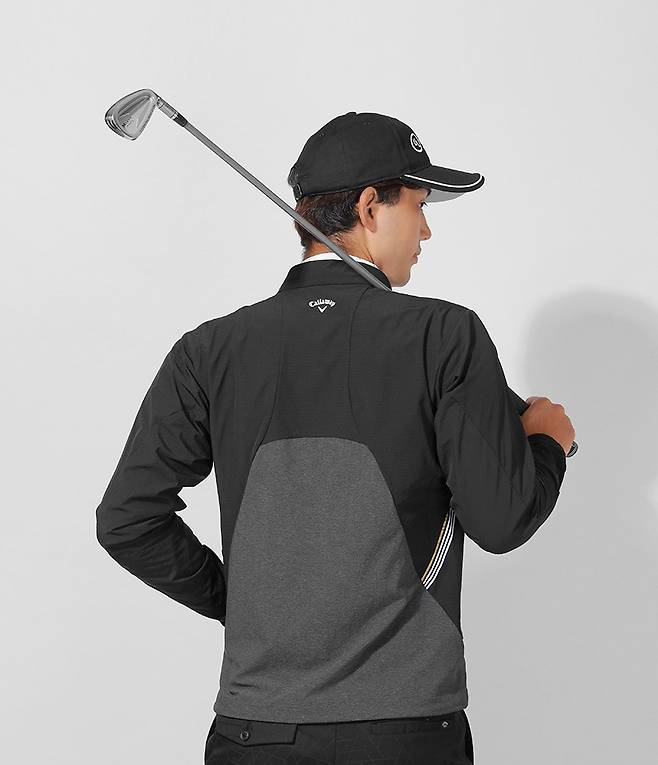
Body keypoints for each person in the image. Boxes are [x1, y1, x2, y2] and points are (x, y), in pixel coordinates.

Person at [96, 111, 575, 764]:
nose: (427, 230)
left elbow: (127, 519)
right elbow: (501, 520)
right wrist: (546, 443)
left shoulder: (208, 350)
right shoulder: (445, 335)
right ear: (371, 206)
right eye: (419, 205)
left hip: (256, 733)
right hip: (406, 732)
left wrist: (235, 601)